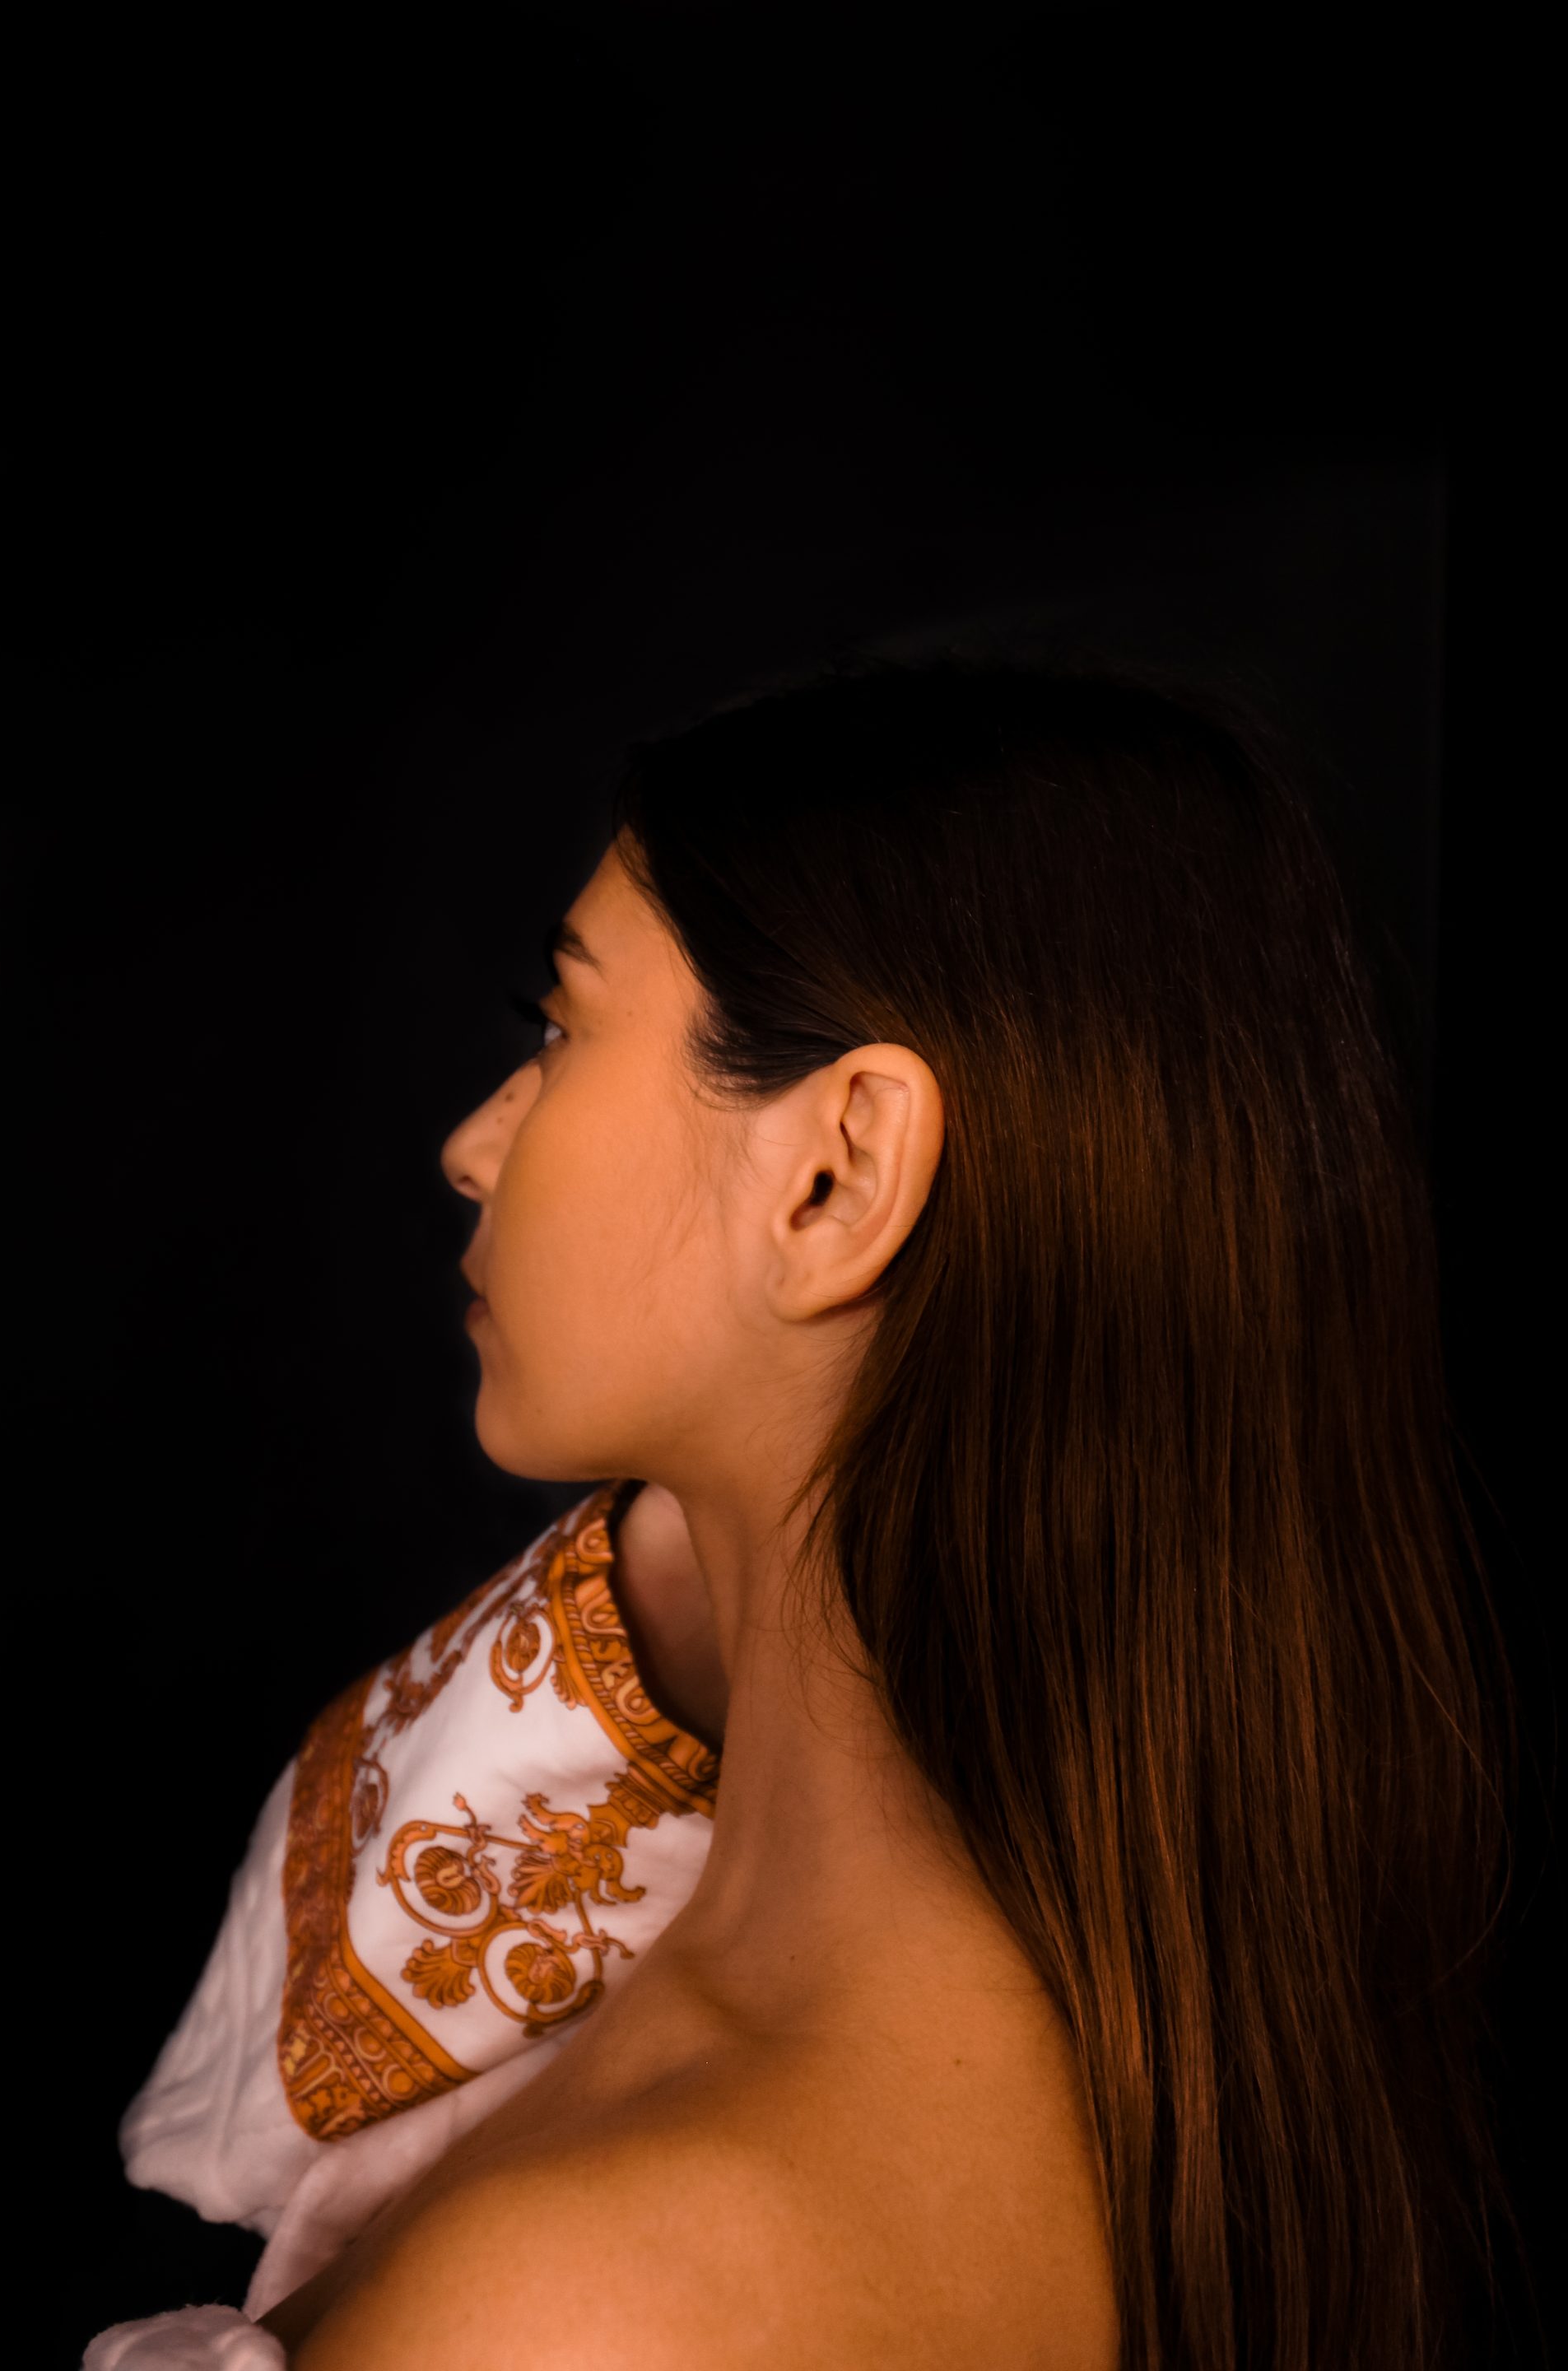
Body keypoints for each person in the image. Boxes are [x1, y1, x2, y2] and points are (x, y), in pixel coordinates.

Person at [93, 652, 1515, 2369]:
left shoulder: (587, 2313)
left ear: (836, 1175)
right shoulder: (1146, 2028)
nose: (476, 1143)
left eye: (562, 1027)